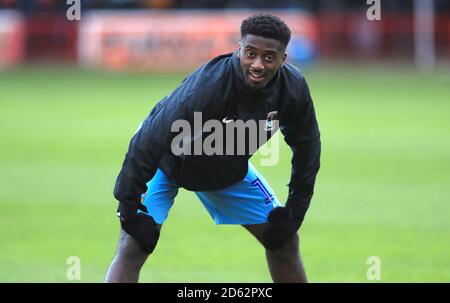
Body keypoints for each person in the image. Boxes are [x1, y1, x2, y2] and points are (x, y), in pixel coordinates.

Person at [105, 13, 321, 283]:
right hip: (167, 160)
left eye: (269, 57)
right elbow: (150, 138)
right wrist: (129, 209)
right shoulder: (210, 86)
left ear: (283, 59)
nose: (257, 64)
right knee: (134, 245)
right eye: (250, 53)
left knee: (285, 241)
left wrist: (294, 214)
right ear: (238, 49)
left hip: (226, 169)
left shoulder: (293, 89)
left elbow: (308, 150)